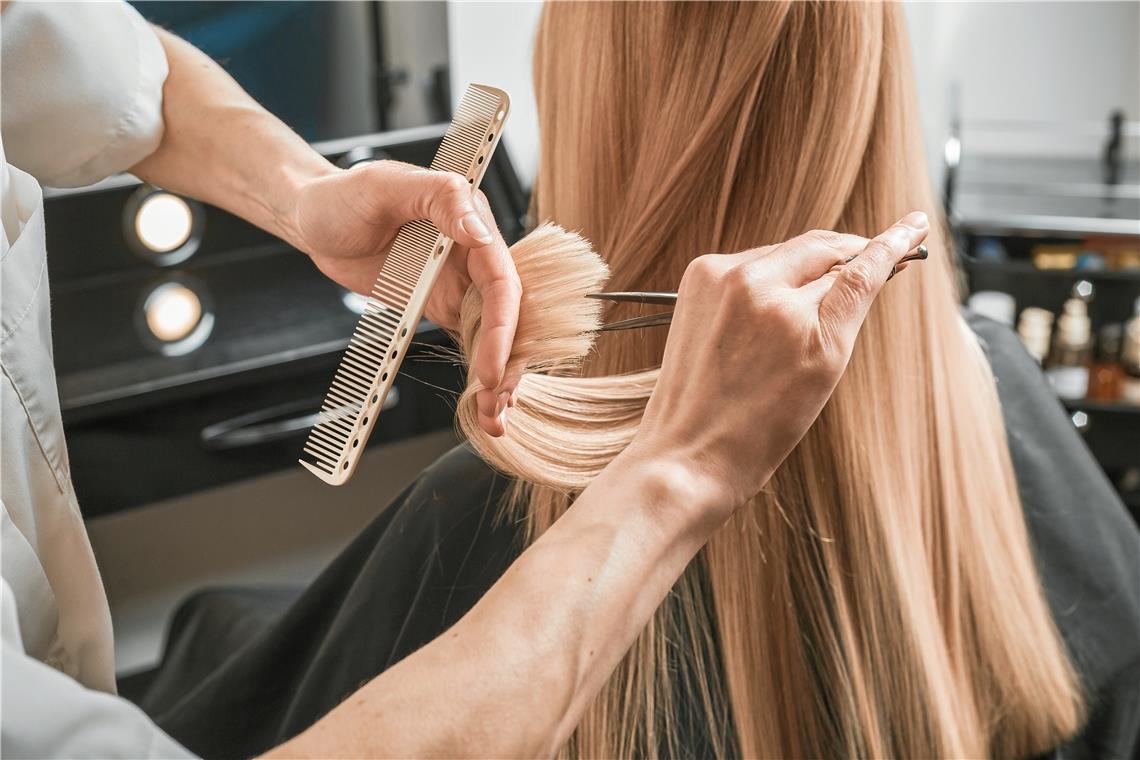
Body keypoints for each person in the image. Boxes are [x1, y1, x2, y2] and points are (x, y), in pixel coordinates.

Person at [152, 3, 1139, 759]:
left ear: (595, 102)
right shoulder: (999, 380)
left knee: (202, 625)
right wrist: (298, 193)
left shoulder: (490, 519)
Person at [1, 2, 927, 757]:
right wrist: (680, 473)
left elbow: (122, 80)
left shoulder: (474, 510)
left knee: (212, 622)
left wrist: (307, 192)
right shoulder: (964, 400)